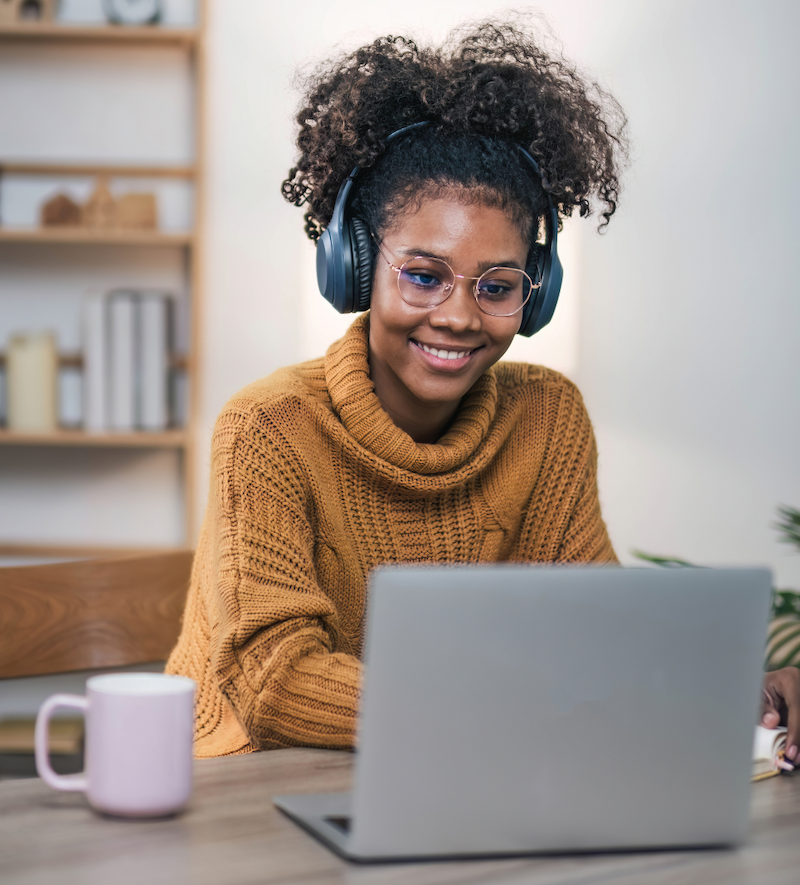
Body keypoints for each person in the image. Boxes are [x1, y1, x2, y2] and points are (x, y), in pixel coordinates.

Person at [166, 18, 800, 760]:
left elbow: (601, 628)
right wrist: (510, 707)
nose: (460, 316)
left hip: (462, 772)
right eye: (424, 275)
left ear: (536, 296)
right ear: (355, 265)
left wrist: (736, 690)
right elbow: (275, 682)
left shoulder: (547, 418)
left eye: (498, 286)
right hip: (248, 792)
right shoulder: (268, 428)